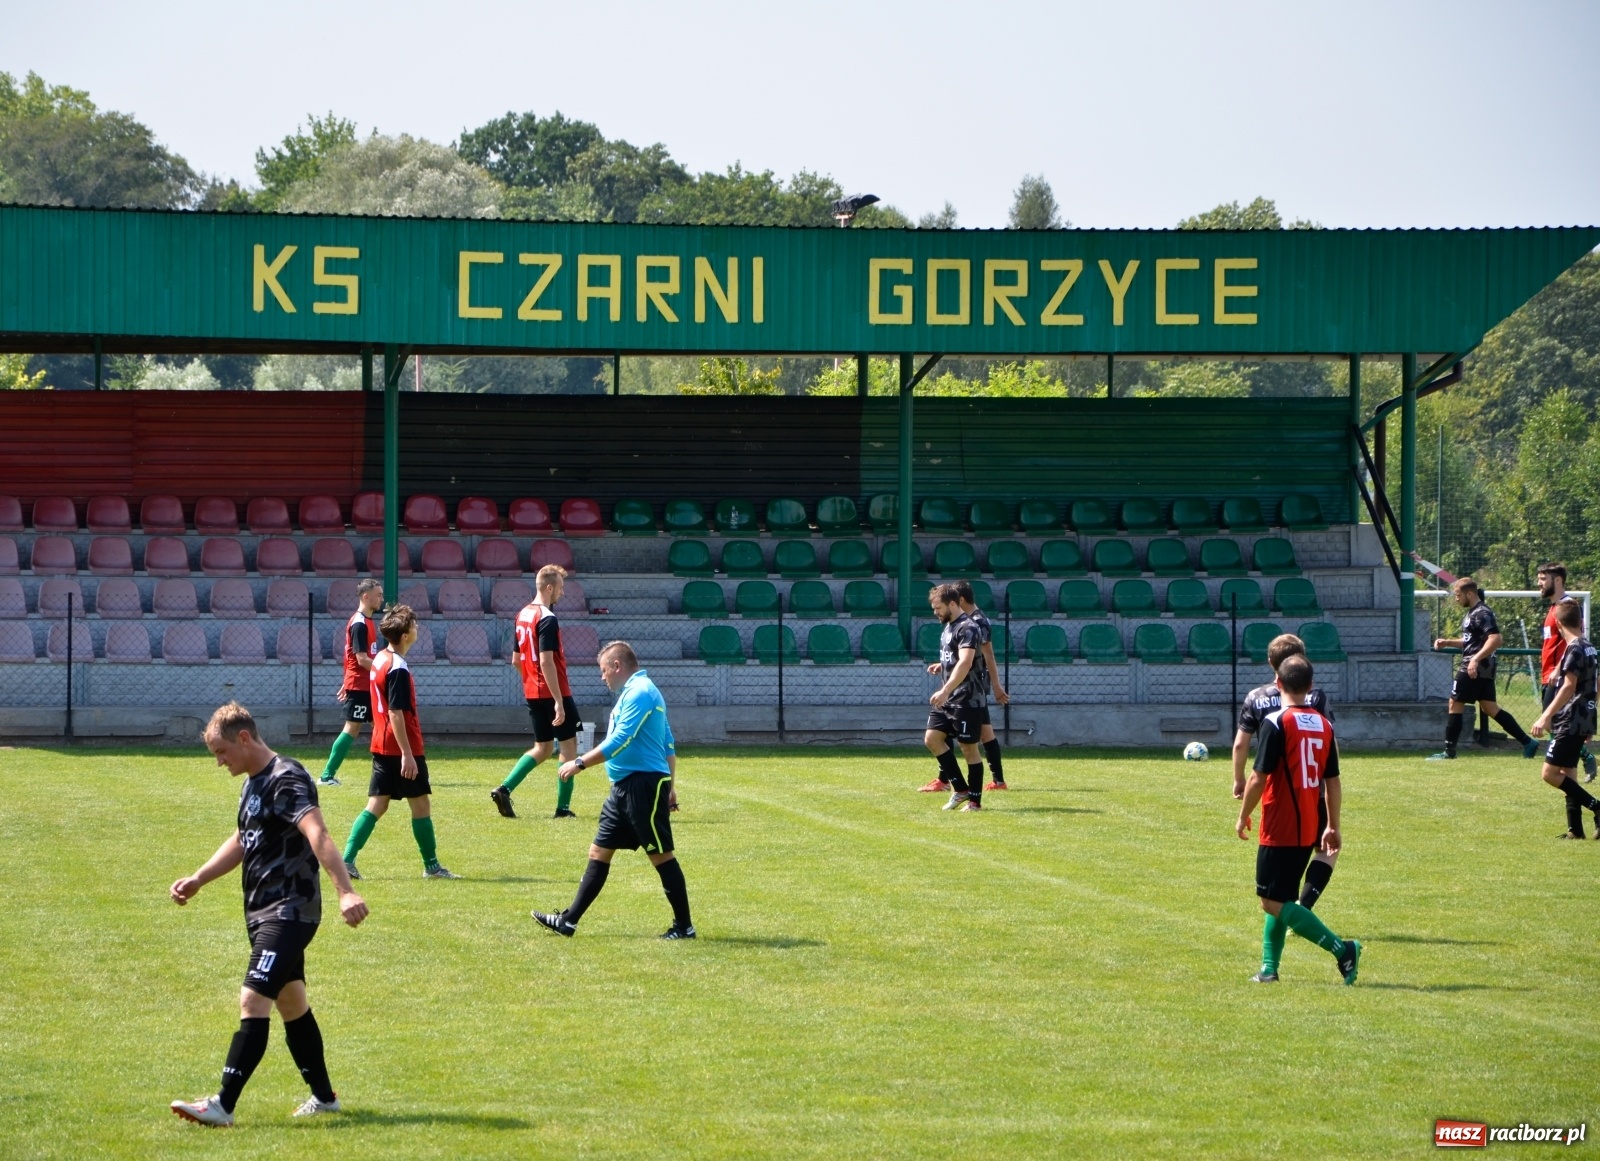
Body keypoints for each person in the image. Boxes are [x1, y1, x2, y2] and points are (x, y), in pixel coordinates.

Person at [168, 702, 368, 1127]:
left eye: (222, 752)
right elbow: (244, 839)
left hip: (290, 909)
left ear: (244, 737)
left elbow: (318, 832)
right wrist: (199, 878)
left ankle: (222, 1104)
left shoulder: (286, 777)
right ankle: (325, 1097)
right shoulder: (251, 785)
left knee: (253, 997)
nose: (220, 763)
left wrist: (345, 893)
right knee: (292, 1003)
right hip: (261, 911)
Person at [532, 641, 694, 939]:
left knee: (660, 855)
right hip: (624, 788)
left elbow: (621, 739)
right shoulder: (633, 693)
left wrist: (579, 763)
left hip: (642, 785)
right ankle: (568, 921)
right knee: (598, 852)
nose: (602, 676)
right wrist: (670, 785)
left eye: (603, 670)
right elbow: (667, 740)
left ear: (617, 666)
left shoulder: (641, 693)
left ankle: (684, 927)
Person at [1236, 655, 1361, 986]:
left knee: (1270, 899)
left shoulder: (1276, 722)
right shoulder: (1324, 724)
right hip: (1310, 821)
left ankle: (1342, 949)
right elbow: (1332, 781)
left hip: (1280, 822)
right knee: (1283, 897)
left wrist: (1244, 813)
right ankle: (1268, 969)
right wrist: (1332, 825)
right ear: (1309, 686)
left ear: (1278, 684)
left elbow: (1258, 778)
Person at [340, 604, 459, 880]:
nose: (417, 629)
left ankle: (346, 860)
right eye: (414, 626)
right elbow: (395, 712)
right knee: (420, 806)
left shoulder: (381, 657)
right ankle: (432, 867)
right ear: (405, 635)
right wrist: (407, 753)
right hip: (400, 746)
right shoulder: (398, 667)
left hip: (382, 744)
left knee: (377, 805)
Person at [1232, 633, 1338, 911]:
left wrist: (1238, 779)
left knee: (1273, 895)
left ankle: (1300, 919)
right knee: (1325, 849)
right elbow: (1330, 743)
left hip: (1277, 794)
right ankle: (1305, 904)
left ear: (1271, 665)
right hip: (1314, 790)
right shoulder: (1315, 697)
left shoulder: (1257, 698)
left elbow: (1241, 743)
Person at [492, 565, 584, 819]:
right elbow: (546, 661)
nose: (562, 594)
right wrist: (557, 700)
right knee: (568, 749)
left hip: (533, 691)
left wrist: (532, 682)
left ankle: (504, 789)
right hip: (554, 691)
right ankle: (562, 809)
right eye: (561, 588)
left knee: (542, 748)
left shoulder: (522, 614)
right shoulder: (547, 617)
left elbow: (515, 660)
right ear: (549, 587)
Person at [1428, 578, 1538, 761]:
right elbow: (1472, 641)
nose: (1456, 599)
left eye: (1458, 595)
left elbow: (1496, 639)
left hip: (1474, 666)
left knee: (1454, 703)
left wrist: (1475, 660)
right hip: (1484, 667)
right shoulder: (1474, 613)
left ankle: (1449, 752)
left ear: (1469, 594)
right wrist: (1447, 642)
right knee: (1490, 707)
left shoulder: (1482, 613)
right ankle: (1528, 742)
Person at [1529, 597, 1600, 840]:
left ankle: (1597, 807)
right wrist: (1590, 715)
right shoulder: (1588, 646)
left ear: (1558, 624)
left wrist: (1544, 717)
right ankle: (1575, 830)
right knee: (1568, 772)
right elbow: (1596, 684)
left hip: (1570, 719)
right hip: (1582, 718)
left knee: (1549, 773)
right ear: (1580, 621)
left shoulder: (1574, 649)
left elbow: (1569, 687)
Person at [922, 584, 987, 812]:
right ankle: (960, 789)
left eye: (938, 607)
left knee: (969, 749)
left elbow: (967, 661)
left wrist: (945, 690)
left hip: (966, 699)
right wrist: (943, 665)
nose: (935, 612)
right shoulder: (949, 627)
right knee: (932, 739)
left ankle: (975, 803)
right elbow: (958, 658)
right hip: (949, 697)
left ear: (952, 604)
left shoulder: (968, 627)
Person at [319, 579, 383, 787]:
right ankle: (327, 776)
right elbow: (362, 659)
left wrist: (346, 680)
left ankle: (392, 772)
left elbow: (350, 657)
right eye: (378, 595)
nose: (381, 599)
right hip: (361, 685)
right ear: (366, 596)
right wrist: (388, 670)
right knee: (353, 729)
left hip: (364, 683)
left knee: (381, 726)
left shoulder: (366, 621)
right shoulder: (359, 624)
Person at [1537, 563, 1596, 781]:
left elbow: (1577, 640)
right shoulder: (1552, 608)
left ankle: (1586, 756)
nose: (1539, 583)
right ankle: (1573, 775)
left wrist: (1559, 668)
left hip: (1561, 677)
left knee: (1554, 722)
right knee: (1555, 724)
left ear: (1558, 580)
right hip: (1548, 675)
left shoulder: (1568, 606)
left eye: (1543, 578)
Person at [957, 580, 1010, 791]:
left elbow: (989, 656)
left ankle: (944, 780)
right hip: (970, 684)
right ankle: (999, 781)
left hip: (973, 687)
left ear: (960, 600)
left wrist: (997, 686)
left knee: (948, 729)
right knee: (986, 733)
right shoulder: (970, 620)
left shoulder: (979, 622)